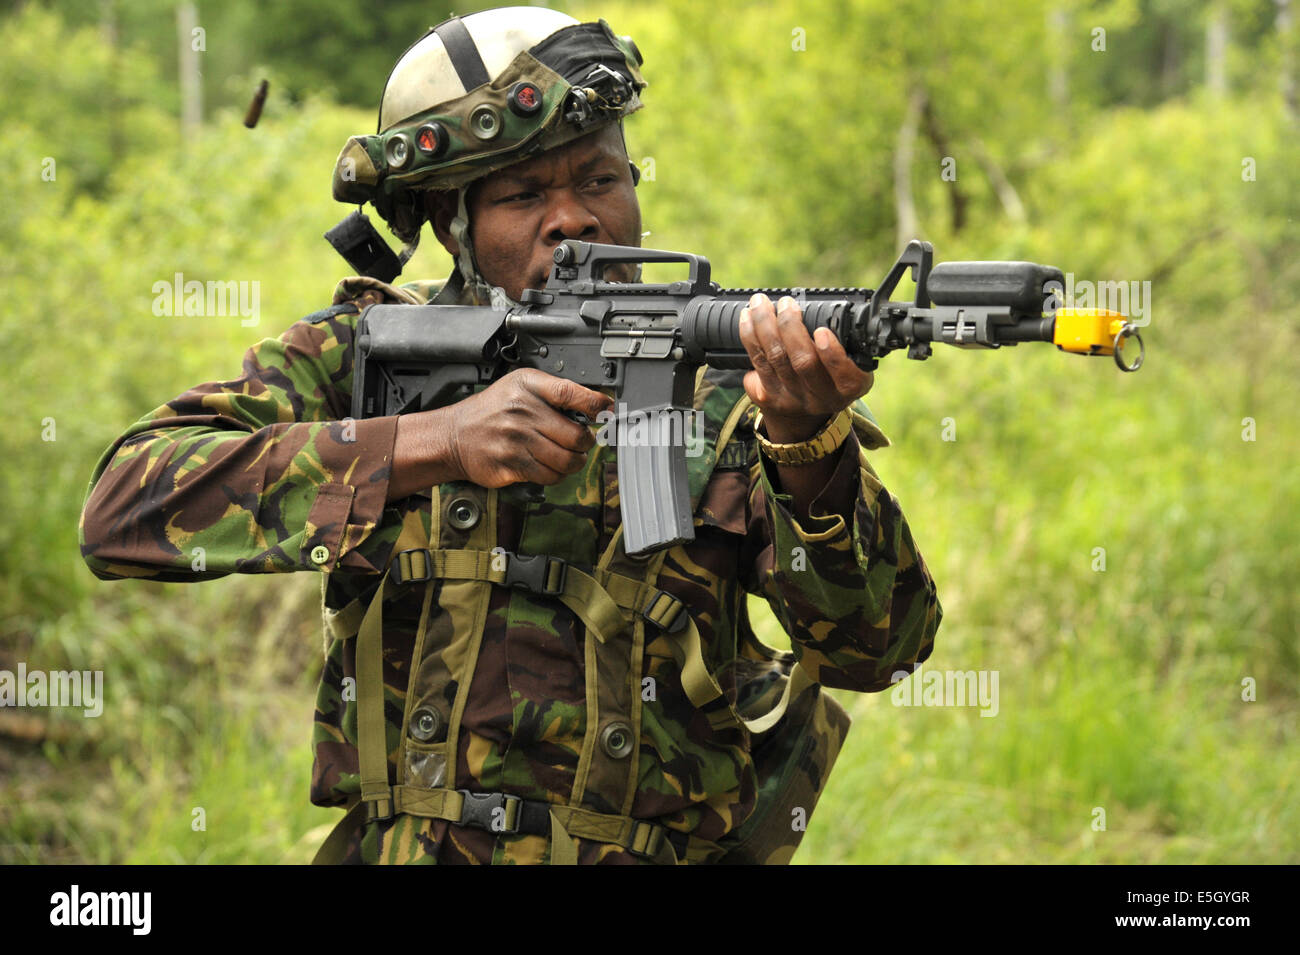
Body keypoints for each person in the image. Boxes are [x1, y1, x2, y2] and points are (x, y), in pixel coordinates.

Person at [79, 7, 941, 864]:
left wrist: (808, 444)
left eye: (601, 180)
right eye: (524, 195)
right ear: (451, 222)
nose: (573, 219)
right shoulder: (359, 356)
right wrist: (435, 442)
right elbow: (122, 510)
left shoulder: (725, 395)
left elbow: (882, 652)